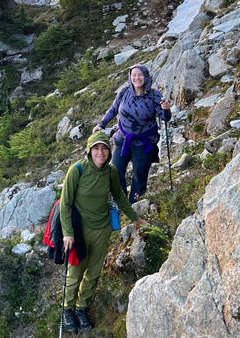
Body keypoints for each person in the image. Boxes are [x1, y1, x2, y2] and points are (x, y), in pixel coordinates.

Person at [60, 131, 148, 333]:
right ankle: (68, 309)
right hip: (79, 230)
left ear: (109, 151)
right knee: (75, 271)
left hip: (102, 229)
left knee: (93, 272)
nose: (101, 152)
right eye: (96, 148)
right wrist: (68, 233)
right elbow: (65, 204)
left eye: (104, 148)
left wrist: (135, 219)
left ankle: (81, 308)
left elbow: (119, 195)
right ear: (89, 150)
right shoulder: (77, 170)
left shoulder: (110, 171)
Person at [92, 64, 171, 203]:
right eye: (133, 75)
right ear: (130, 77)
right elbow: (113, 109)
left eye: (140, 75)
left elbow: (165, 118)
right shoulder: (124, 92)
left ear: (146, 77)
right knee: (115, 172)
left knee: (139, 175)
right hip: (122, 138)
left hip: (144, 141)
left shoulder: (154, 95)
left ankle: (135, 204)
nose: (137, 78)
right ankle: (121, 203)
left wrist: (166, 109)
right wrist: (101, 124)